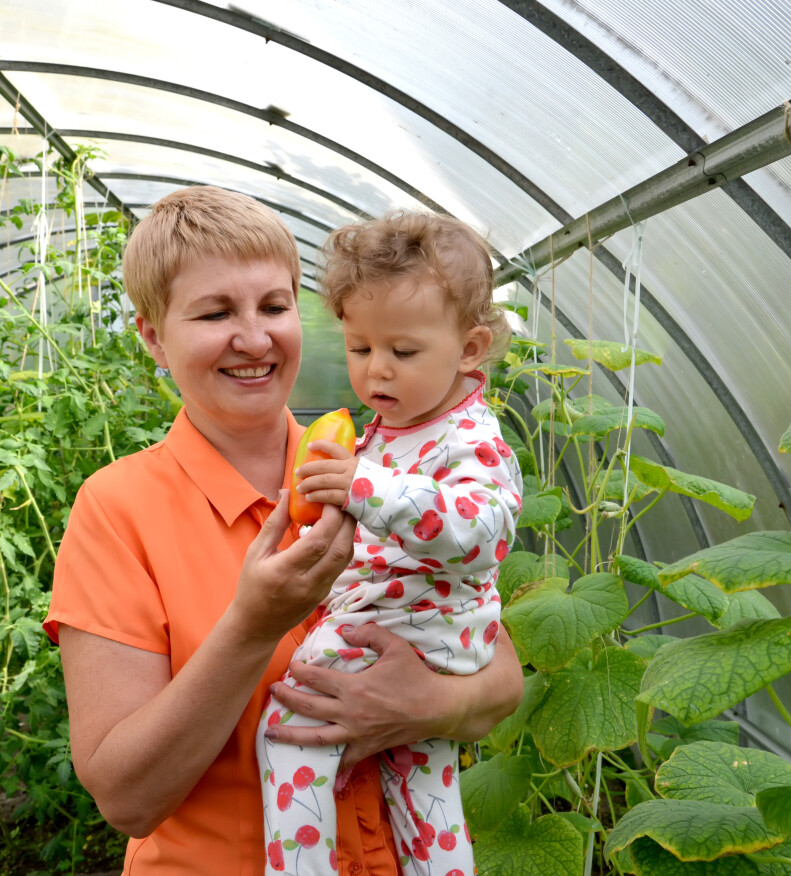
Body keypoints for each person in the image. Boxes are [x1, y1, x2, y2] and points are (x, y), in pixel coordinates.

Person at [42, 187, 524, 876]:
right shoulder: (119, 510)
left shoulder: (377, 469)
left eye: (274, 306)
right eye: (215, 313)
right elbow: (127, 797)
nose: (254, 338)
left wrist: (427, 706)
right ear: (153, 336)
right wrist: (253, 624)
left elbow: (499, 673)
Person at [257, 212, 523, 876]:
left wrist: (366, 486)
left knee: (290, 734)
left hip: (407, 628)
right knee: (423, 798)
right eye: (358, 347)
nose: (377, 370)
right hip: (426, 640)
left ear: (470, 348)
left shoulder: (471, 437)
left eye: (403, 352)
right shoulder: (388, 429)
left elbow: (480, 532)